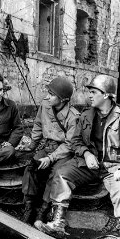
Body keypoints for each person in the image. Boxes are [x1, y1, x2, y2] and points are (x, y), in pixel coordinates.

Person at [35, 74, 120, 239]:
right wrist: (86, 153)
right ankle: (58, 222)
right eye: (89, 92)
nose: (89, 95)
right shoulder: (86, 114)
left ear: (107, 95)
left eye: (93, 92)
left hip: (113, 167)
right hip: (88, 165)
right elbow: (75, 140)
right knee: (62, 173)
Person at [20, 76, 80, 225]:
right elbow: (38, 125)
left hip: (63, 151)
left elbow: (69, 144)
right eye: (48, 93)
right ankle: (28, 208)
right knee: (31, 167)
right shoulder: (45, 105)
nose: (47, 97)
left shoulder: (73, 117)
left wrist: (50, 158)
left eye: (52, 94)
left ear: (63, 99)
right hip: (47, 146)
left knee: (55, 174)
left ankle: (43, 210)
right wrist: (32, 145)